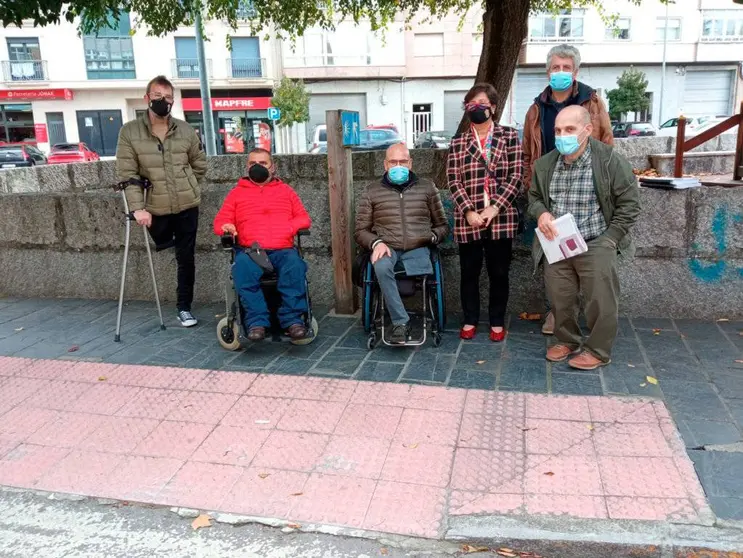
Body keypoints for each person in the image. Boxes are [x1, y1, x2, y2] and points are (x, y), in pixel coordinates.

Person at [528, 105, 640, 371]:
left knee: (600, 299)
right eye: (558, 130)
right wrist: (541, 213)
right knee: (560, 297)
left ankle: (598, 350)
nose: (562, 135)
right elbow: (534, 198)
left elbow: (630, 204)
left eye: (569, 129)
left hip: (597, 239)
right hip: (557, 241)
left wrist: (611, 238)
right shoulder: (545, 164)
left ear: (587, 130)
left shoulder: (610, 160)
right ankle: (566, 340)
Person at [522, 44, 614, 337]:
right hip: (551, 186)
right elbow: (528, 152)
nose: (560, 72)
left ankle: (589, 318)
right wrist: (532, 189)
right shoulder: (537, 109)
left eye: (566, 67)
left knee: (588, 254)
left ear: (575, 72)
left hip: (585, 183)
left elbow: (607, 142)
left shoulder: (592, 104)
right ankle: (558, 312)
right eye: (554, 67)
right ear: (547, 71)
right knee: (553, 253)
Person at [115, 75, 207, 328]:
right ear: (147, 98)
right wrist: (137, 208)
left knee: (186, 257)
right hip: (154, 208)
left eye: (167, 98)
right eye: (157, 97)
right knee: (164, 248)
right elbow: (127, 174)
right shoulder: (130, 132)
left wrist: (188, 184)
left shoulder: (185, 130)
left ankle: (184, 307)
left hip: (187, 205)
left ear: (173, 101)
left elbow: (199, 164)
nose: (162, 102)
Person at [447, 83, 524, 343]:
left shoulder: (509, 136)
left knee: (499, 273)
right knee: (469, 272)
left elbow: (516, 176)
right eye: (470, 103)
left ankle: (496, 321)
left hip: (500, 217)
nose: (475, 107)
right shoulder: (458, 141)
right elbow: (453, 180)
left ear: (492, 106)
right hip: (467, 219)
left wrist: (495, 206)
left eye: (481, 103)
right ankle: (470, 319)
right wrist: (468, 210)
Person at [213, 148, 312, 342]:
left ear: (272, 167)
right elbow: (220, 222)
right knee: (242, 269)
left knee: (295, 266)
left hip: (282, 249)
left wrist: (288, 227)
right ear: (247, 167)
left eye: (263, 163)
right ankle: (257, 322)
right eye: (252, 164)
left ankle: (292, 321)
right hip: (251, 250)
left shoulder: (286, 191)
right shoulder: (236, 194)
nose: (257, 167)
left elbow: (304, 219)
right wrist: (226, 226)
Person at [355, 143, 449, 344]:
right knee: (380, 266)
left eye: (403, 161)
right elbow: (360, 230)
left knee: (423, 268)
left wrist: (432, 237)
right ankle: (400, 322)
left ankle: (406, 317)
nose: (398, 165)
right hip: (387, 247)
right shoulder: (372, 191)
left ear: (410, 163)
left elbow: (442, 225)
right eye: (393, 162)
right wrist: (375, 242)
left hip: (419, 247)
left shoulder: (427, 187)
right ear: (385, 165)